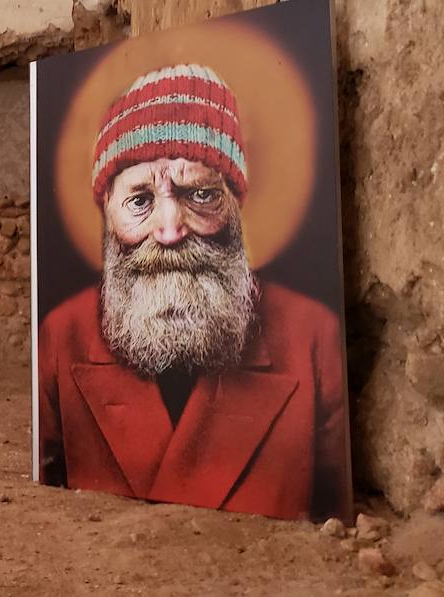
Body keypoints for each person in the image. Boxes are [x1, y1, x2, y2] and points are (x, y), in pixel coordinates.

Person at [36, 63, 350, 520]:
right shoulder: (60, 338)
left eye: (199, 195)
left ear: (235, 206)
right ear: (107, 213)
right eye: (140, 201)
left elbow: (334, 513)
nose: (169, 229)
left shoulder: (314, 339)